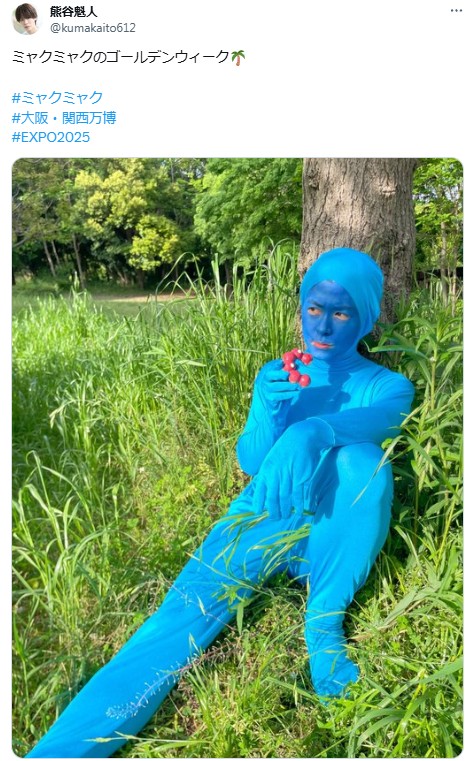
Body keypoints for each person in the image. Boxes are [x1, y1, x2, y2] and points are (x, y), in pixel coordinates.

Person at [25, 248, 414, 758]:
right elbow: (252, 461)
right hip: (262, 515)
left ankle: (323, 619)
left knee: (363, 461)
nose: (322, 326)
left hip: (333, 535)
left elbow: (386, 421)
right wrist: (271, 411)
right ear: (301, 307)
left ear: (364, 318)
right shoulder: (279, 374)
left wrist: (315, 429)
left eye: (341, 313)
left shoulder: (388, 385)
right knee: (171, 627)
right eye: (314, 308)